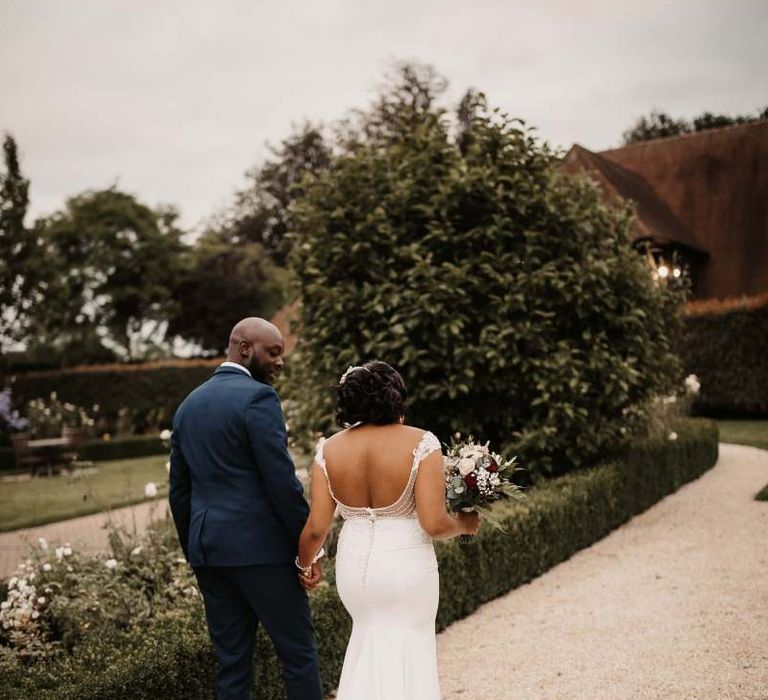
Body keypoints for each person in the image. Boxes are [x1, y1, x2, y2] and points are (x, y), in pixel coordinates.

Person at [297, 360, 480, 699]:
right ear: (395, 397)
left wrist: (305, 564)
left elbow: (315, 528)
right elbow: (435, 524)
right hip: (405, 568)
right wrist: (465, 523)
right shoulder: (422, 443)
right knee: (409, 648)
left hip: (355, 572)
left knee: (368, 641)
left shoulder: (329, 450)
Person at [169, 317, 323, 700]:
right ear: (243, 347)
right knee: (298, 655)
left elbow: (179, 491)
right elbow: (282, 485)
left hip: (210, 553)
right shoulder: (259, 398)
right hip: (262, 552)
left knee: (232, 664)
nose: (280, 362)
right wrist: (309, 549)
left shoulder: (188, 406)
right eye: (273, 352)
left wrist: (196, 550)